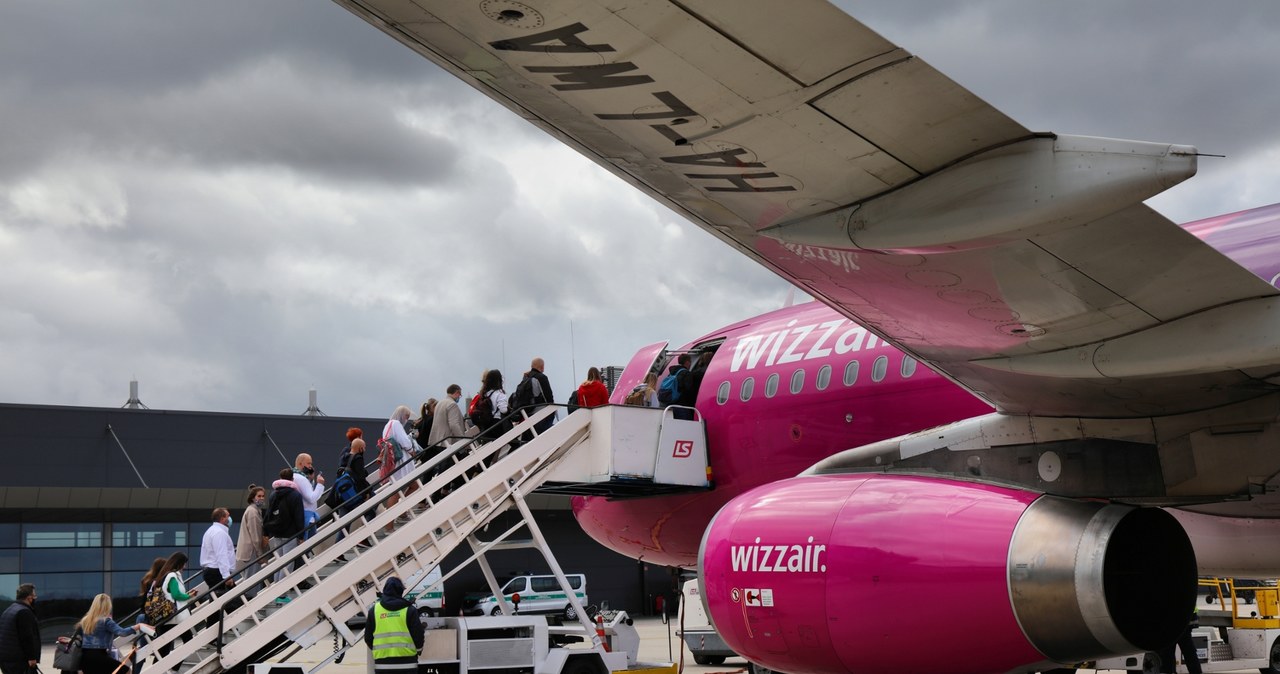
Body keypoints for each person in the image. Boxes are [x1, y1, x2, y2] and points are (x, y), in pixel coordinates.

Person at [363, 577, 424, 674]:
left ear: (385, 590)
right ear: (400, 591)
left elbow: (368, 638)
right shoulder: (410, 610)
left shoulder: (374, 610)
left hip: (382, 666)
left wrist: (380, 651)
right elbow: (418, 636)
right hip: (408, 665)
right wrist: (418, 650)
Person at [78, 594, 147, 674]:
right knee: (126, 671)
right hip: (100, 657)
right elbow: (122, 632)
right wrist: (138, 626)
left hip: (85, 659)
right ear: (107, 606)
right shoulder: (106, 621)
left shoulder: (85, 621)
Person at [265, 467, 305, 589]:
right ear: (292, 479)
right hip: (290, 533)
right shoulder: (295, 495)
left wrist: (266, 532)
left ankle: (276, 588)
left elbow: (268, 514)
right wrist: (301, 535)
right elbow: (299, 517)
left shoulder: (273, 495)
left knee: (279, 561)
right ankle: (281, 591)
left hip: (276, 532)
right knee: (288, 563)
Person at [155, 552, 198, 648]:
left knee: (164, 650)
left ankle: (171, 663)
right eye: (184, 564)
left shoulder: (167, 575)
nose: (185, 566)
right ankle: (176, 663)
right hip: (175, 617)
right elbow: (176, 595)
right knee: (188, 643)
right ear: (179, 564)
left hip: (170, 618)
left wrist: (187, 595)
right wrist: (188, 596)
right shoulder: (172, 576)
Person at [235, 485, 269, 599]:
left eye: (263, 496)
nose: (262, 498)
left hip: (248, 553)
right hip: (251, 553)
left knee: (251, 582)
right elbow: (255, 537)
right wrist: (260, 555)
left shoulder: (254, 510)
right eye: (259, 496)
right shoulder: (253, 512)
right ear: (252, 498)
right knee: (252, 584)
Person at [0, 583, 39, 674]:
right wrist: (31, 658)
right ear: (29, 598)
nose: (35, 598)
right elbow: (27, 637)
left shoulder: (9, 609)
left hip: (6, 659)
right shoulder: (24, 612)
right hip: (18, 661)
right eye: (34, 596)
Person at [200, 507, 237, 603]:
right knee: (229, 600)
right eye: (228, 516)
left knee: (217, 601)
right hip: (217, 572)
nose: (230, 519)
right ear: (222, 519)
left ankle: (214, 618)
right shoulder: (219, 533)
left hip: (213, 571)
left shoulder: (211, 530)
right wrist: (227, 576)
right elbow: (221, 555)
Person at [292, 453, 326, 540]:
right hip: (306, 517)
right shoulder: (301, 479)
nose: (311, 466)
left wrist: (311, 480)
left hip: (302, 516)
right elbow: (311, 498)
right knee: (308, 544)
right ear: (300, 464)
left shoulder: (295, 476)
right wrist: (320, 485)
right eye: (308, 463)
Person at [427, 385, 467, 449]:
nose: (459, 397)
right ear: (457, 392)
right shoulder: (452, 404)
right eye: (460, 394)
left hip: (437, 441)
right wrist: (462, 440)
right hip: (448, 443)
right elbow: (454, 424)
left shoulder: (440, 403)